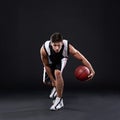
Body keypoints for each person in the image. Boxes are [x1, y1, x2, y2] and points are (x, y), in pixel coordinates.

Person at [40, 32, 95, 111]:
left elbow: (81, 58)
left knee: (57, 73)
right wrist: (53, 81)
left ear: (62, 43)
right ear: (51, 43)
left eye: (59, 45)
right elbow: (46, 66)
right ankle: (56, 87)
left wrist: (92, 70)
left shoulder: (67, 47)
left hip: (61, 59)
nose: (57, 48)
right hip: (50, 62)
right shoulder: (44, 49)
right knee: (46, 81)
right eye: (54, 45)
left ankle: (59, 100)